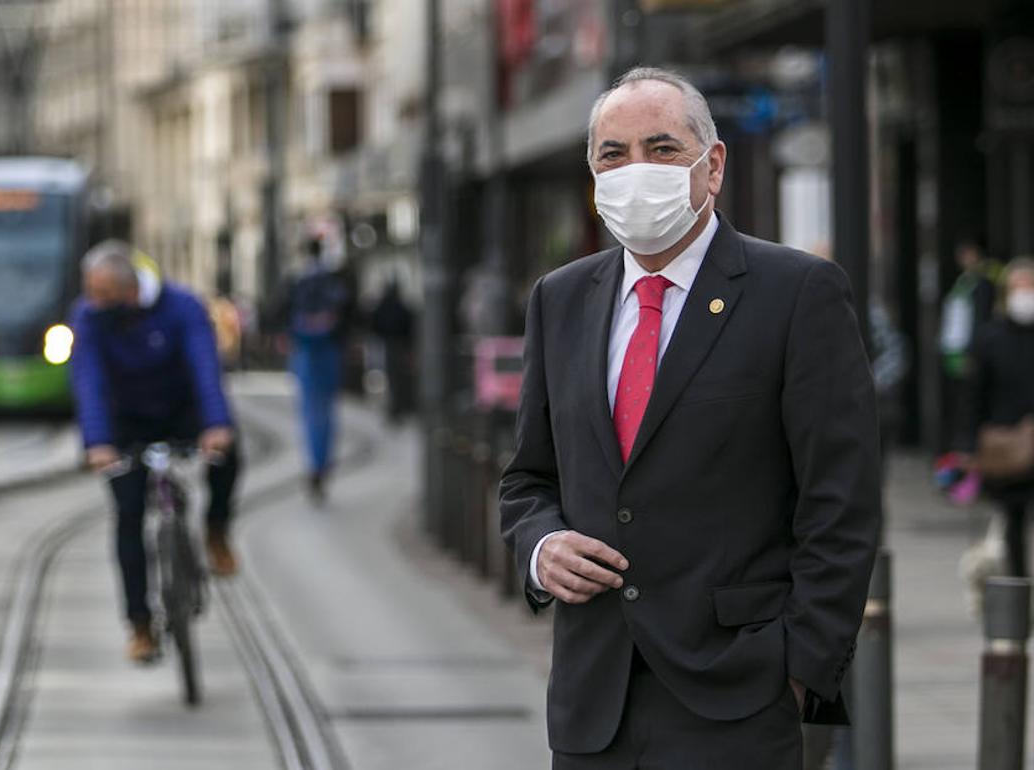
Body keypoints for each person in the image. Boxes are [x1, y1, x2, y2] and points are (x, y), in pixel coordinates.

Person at [499, 67, 880, 768]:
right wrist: (540, 547)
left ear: (714, 166)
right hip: (593, 705)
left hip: (738, 698)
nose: (635, 171)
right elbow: (529, 478)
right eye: (613, 154)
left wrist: (800, 673)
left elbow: (842, 503)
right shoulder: (560, 299)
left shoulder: (797, 294)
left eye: (662, 148)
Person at [69, 240, 240, 663]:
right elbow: (88, 379)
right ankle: (140, 625)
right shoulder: (89, 316)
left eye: (102, 294)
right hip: (125, 421)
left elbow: (204, 365)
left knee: (229, 458)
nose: (93, 302)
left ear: (128, 289)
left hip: (182, 409)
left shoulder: (181, 306)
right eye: (91, 292)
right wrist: (97, 443)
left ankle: (216, 529)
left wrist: (216, 424)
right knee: (128, 515)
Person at [963, 258, 1034, 578]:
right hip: (1007, 447)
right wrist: (967, 445)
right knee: (1012, 522)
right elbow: (974, 394)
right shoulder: (991, 338)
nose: (1025, 294)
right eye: (1019, 287)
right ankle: (1018, 594)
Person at [279, 237, 349, 503]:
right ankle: (323, 463)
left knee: (310, 413)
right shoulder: (334, 280)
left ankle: (316, 464)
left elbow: (280, 311)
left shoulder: (298, 279)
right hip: (329, 352)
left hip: (306, 352)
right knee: (327, 413)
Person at [940, 238, 998, 448]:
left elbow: (980, 319)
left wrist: (974, 351)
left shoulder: (982, 284)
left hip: (969, 351)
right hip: (955, 351)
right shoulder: (963, 281)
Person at [369, 276, 416, 423]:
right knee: (395, 377)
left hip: (391, 344)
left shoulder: (387, 305)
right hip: (395, 343)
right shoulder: (398, 306)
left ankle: (396, 408)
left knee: (393, 377)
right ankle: (396, 408)